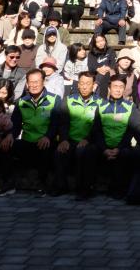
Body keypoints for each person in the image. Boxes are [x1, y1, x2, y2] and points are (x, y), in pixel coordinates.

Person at [3, 69, 67, 196]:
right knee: (6, 146)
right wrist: (10, 135)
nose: (33, 85)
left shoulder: (55, 99)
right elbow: (16, 124)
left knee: (45, 148)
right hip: (27, 141)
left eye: (37, 82)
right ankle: (7, 184)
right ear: (27, 84)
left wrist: (47, 136)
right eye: (31, 82)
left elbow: (55, 123)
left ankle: (42, 185)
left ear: (43, 82)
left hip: (46, 141)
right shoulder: (22, 101)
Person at [54, 71, 101, 199]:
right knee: (59, 152)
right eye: (82, 83)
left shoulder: (101, 102)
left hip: (90, 141)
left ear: (94, 86)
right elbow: (63, 123)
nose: (84, 87)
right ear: (78, 85)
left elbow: (98, 126)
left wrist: (87, 139)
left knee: (84, 152)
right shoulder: (68, 100)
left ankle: (84, 189)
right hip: (71, 140)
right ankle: (61, 186)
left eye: (88, 84)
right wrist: (64, 140)